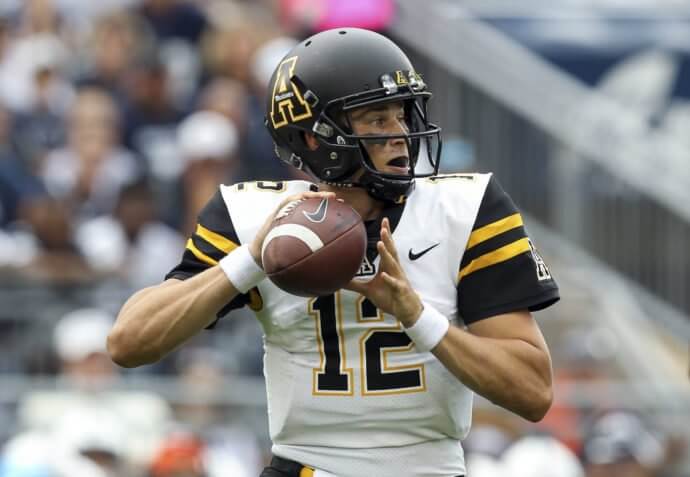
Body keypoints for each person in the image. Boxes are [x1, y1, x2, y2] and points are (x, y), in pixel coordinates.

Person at [108, 28, 559, 477]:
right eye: (377, 119)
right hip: (306, 465)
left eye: (402, 114)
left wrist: (417, 316)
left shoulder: (464, 209)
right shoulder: (256, 215)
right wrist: (251, 260)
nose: (401, 134)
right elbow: (129, 342)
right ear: (313, 137)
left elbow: (533, 391)